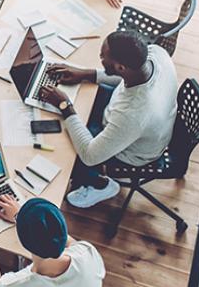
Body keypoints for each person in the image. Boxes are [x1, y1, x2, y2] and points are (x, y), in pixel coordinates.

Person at [39, 30, 178, 209]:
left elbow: (90, 156)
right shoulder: (155, 53)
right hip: (131, 117)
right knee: (81, 108)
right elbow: (124, 80)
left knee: (67, 151)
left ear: (120, 67)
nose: (100, 57)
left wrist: (65, 105)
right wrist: (85, 74)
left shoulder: (134, 114)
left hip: (133, 152)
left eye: (103, 57)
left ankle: (100, 184)